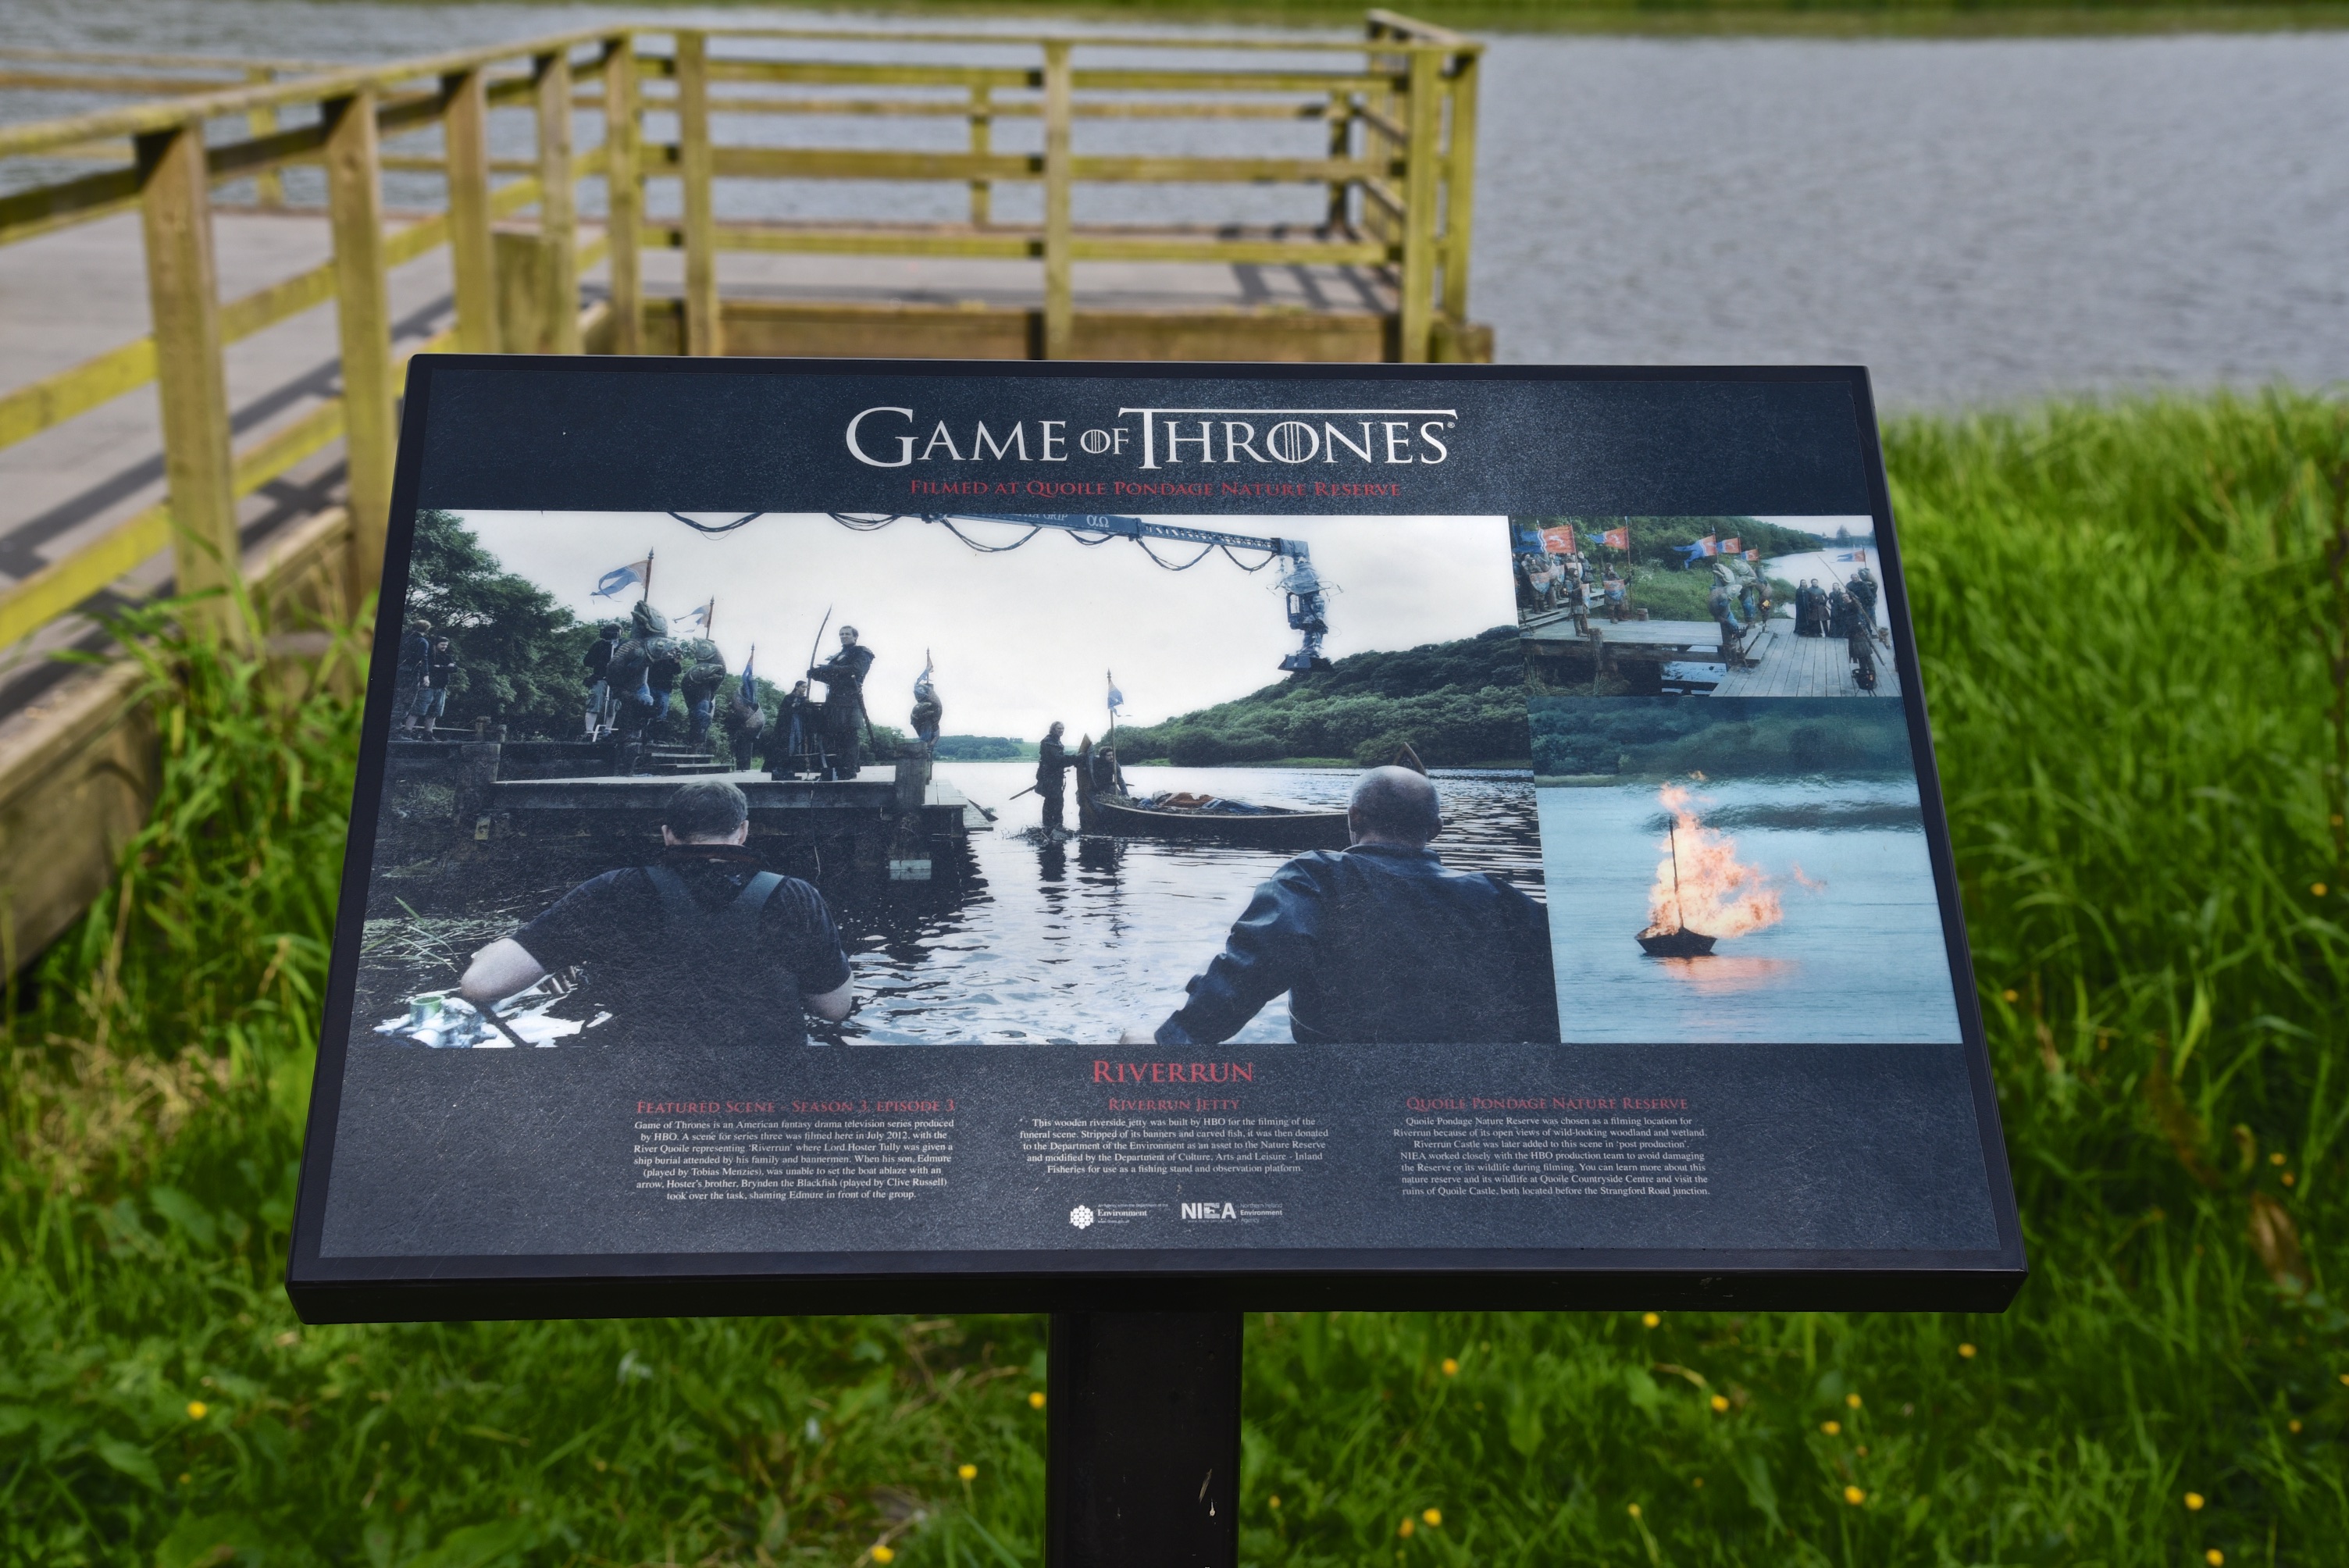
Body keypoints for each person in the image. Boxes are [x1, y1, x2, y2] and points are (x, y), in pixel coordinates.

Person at [1125, 767, 1558, 1046]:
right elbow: (1552, 996)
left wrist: (1175, 1039)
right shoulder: (1500, 895)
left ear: (1352, 818)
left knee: (1131, 1041)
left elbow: (1254, 967)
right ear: (1436, 829)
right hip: (1471, 1085)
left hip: (1346, 1079)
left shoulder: (1315, 875)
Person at [458, 780, 854, 1047]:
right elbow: (834, 1009)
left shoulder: (613, 889)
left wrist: (500, 949)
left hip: (653, 1083)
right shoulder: (797, 896)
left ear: (667, 834)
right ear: (742, 832)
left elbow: (481, 984)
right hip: (767, 1084)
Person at [809, 625, 875, 779]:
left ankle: (849, 769)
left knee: (849, 734)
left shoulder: (862, 652)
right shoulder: (838, 656)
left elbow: (857, 670)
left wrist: (830, 668)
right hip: (834, 698)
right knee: (833, 734)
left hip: (850, 698)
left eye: (847, 634)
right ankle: (836, 768)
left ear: (855, 637)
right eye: (841, 634)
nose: (844, 636)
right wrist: (816, 675)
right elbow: (832, 678)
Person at [678, 637, 727, 748]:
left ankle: (696, 743)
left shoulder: (709, 669)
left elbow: (720, 674)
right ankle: (694, 742)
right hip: (698, 698)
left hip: (704, 697)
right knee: (698, 717)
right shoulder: (698, 668)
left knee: (701, 718)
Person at [768, 680, 820, 780]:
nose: (804, 689)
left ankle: (794, 768)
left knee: (798, 744)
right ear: (797, 687)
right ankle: (784, 768)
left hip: (799, 724)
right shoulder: (789, 697)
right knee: (789, 745)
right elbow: (784, 712)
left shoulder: (805, 699)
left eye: (806, 687)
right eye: (803, 687)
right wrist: (794, 705)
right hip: (789, 725)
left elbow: (808, 712)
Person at [1035, 721, 1079, 834]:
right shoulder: (1049, 742)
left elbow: (1059, 760)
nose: (1061, 730)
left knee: (1054, 801)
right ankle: (1053, 826)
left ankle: (1053, 826)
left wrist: (1074, 759)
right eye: (1059, 728)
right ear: (1053, 729)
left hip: (1054, 777)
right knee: (1055, 801)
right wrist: (1076, 759)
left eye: (1062, 729)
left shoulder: (1055, 741)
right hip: (1049, 778)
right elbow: (1058, 760)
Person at [395, 617, 432, 736]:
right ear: (426, 630)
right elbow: (423, 659)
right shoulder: (422, 642)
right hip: (411, 675)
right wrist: (426, 676)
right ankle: (394, 732)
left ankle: (393, 730)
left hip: (399, 673)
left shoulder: (404, 639)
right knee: (406, 702)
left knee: (397, 700)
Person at [583, 622, 619, 738]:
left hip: (616, 681)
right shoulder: (598, 646)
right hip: (600, 679)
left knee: (613, 706)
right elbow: (587, 661)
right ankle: (589, 732)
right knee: (594, 702)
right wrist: (601, 662)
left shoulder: (622, 646)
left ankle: (608, 731)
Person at [419, 636, 458, 735]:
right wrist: (446, 668)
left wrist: (440, 667)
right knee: (418, 709)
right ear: (436, 644)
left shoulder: (447, 656)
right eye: (442, 644)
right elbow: (429, 667)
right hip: (429, 686)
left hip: (441, 687)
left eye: (446, 645)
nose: (444, 647)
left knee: (434, 712)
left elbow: (454, 669)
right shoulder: (430, 655)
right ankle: (408, 731)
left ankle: (428, 733)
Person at [910, 658, 943, 757]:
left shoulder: (930, 703)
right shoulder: (925, 704)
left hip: (929, 715)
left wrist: (931, 745)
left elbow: (936, 736)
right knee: (925, 729)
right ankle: (925, 746)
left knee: (926, 730)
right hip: (926, 715)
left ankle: (925, 746)